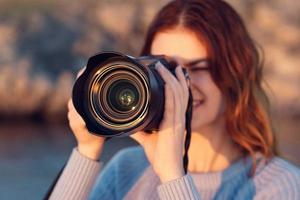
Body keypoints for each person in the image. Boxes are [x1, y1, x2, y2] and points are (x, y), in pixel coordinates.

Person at [49, 0, 300, 199]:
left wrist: (172, 174)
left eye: (199, 67)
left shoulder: (278, 185)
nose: (181, 84)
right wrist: (88, 150)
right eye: (166, 68)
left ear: (236, 71)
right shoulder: (126, 170)